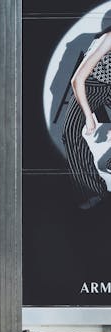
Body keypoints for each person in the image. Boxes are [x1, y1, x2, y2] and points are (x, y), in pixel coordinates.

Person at [63, 29, 111, 208]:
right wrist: (88, 115)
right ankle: (92, 190)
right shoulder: (109, 38)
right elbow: (77, 80)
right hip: (90, 85)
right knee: (70, 133)